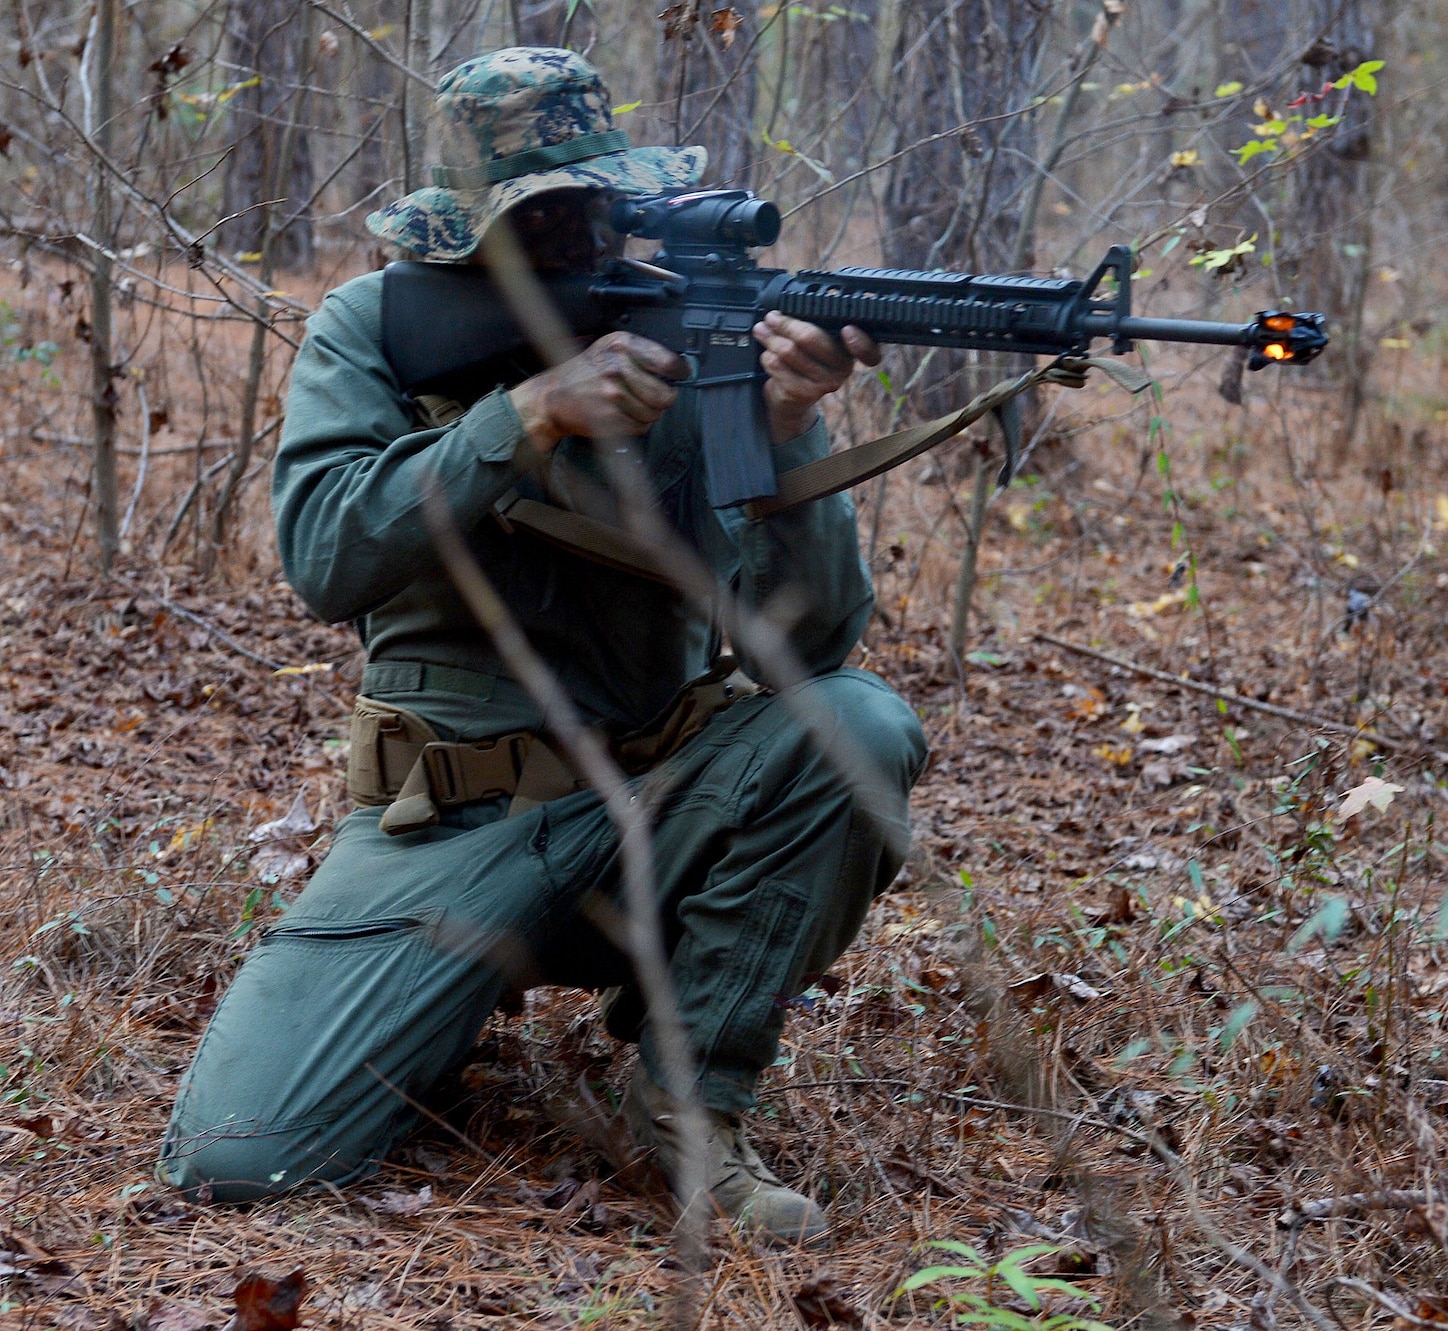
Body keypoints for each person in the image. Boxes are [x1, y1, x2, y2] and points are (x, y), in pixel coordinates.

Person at [160, 47, 927, 1245]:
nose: (581, 236)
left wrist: (783, 426)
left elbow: (814, 643)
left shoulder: (683, 333)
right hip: (447, 822)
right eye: (543, 215)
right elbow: (323, 555)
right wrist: (522, 416)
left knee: (861, 722)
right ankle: (434, 998)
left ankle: (691, 1106)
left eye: (596, 207)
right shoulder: (376, 326)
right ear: (469, 225)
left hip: (652, 804)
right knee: (236, 1156)